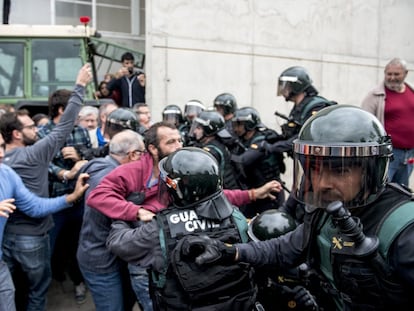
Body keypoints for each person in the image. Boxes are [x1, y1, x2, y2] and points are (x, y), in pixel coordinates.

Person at [189, 105, 414, 310]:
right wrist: (230, 251)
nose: (323, 183)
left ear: (370, 171)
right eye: (315, 170)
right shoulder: (325, 212)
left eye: (340, 171)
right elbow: (282, 250)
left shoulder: (403, 229)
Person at [106, 147, 260, 310]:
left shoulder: (161, 229)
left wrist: (124, 213)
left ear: (176, 188)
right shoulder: (236, 217)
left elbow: (118, 244)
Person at [0, 64, 92, 310]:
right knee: (37, 291)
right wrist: (80, 86)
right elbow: (64, 126)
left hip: (5, 238)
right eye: (30, 127)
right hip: (32, 238)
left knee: (11, 289)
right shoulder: (34, 155)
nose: (36, 129)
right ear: (17, 135)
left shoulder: (5, 162)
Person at [0, 133, 89, 311]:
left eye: (2, 146)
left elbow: (34, 206)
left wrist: (71, 197)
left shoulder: (6, 173)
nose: (1, 154)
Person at [76, 130, 149, 311]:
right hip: (101, 261)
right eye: (144, 153)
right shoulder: (109, 178)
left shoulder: (103, 166)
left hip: (112, 256)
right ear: (134, 154)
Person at [38, 85, 94, 304]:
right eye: (75, 107)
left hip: (80, 202)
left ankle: (79, 283)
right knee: (48, 249)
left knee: (79, 245)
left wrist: (80, 157)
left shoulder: (80, 131)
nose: (79, 112)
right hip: (54, 202)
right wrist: (64, 173)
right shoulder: (42, 134)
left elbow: (90, 158)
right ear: (62, 109)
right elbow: (42, 164)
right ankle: (42, 293)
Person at [261, 66, 336, 158]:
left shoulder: (316, 107)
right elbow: (293, 133)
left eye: (287, 86)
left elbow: (306, 137)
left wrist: (275, 147)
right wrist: (274, 138)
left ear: (296, 86)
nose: (283, 90)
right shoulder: (299, 107)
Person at [361, 57, 414, 187]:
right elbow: (364, 124)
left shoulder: (411, 91)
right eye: (389, 74)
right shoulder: (374, 95)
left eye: (396, 74)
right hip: (388, 153)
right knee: (382, 190)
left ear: (405, 74)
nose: (391, 77)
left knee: (402, 192)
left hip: (409, 154)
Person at [231, 106, 286, 218]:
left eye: (239, 124)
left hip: (270, 196)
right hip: (255, 193)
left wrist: (226, 155)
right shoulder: (243, 141)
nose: (236, 128)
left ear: (249, 125)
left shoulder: (260, 141)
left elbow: (243, 161)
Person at [189, 110, 243, 189]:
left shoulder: (212, 151)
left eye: (198, 128)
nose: (194, 131)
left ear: (208, 129)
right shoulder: (217, 144)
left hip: (225, 193)